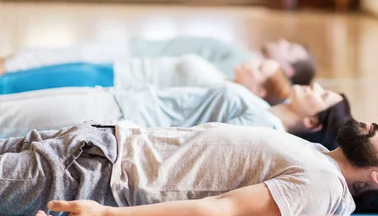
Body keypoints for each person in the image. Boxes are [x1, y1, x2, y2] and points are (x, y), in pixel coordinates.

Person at [0, 104, 378, 216]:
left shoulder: (323, 188)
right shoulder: (319, 156)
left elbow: (217, 211)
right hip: (94, 141)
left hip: (93, 176)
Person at [0, 82, 341, 148]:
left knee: (7, 118)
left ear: (313, 122)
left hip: (115, 113)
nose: (316, 87)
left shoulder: (264, 125)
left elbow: (197, 143)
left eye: (321, 96)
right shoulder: (263, 111)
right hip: (116, 100)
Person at [0, 36, 317, 85]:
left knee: (34, 62)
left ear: (287, 70)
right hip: (134, 54)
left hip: (131, 62)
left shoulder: (243, 63)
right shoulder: (244, 56)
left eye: (290, 49)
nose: (283, 42)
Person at [0, 56, 291, 105]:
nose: (252, 62)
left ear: (259, 89)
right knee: (14, 81)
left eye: (260, 67)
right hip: (110, 70)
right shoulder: (221, 79)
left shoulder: (221, 92)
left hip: (109, 83)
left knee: (11, 88)